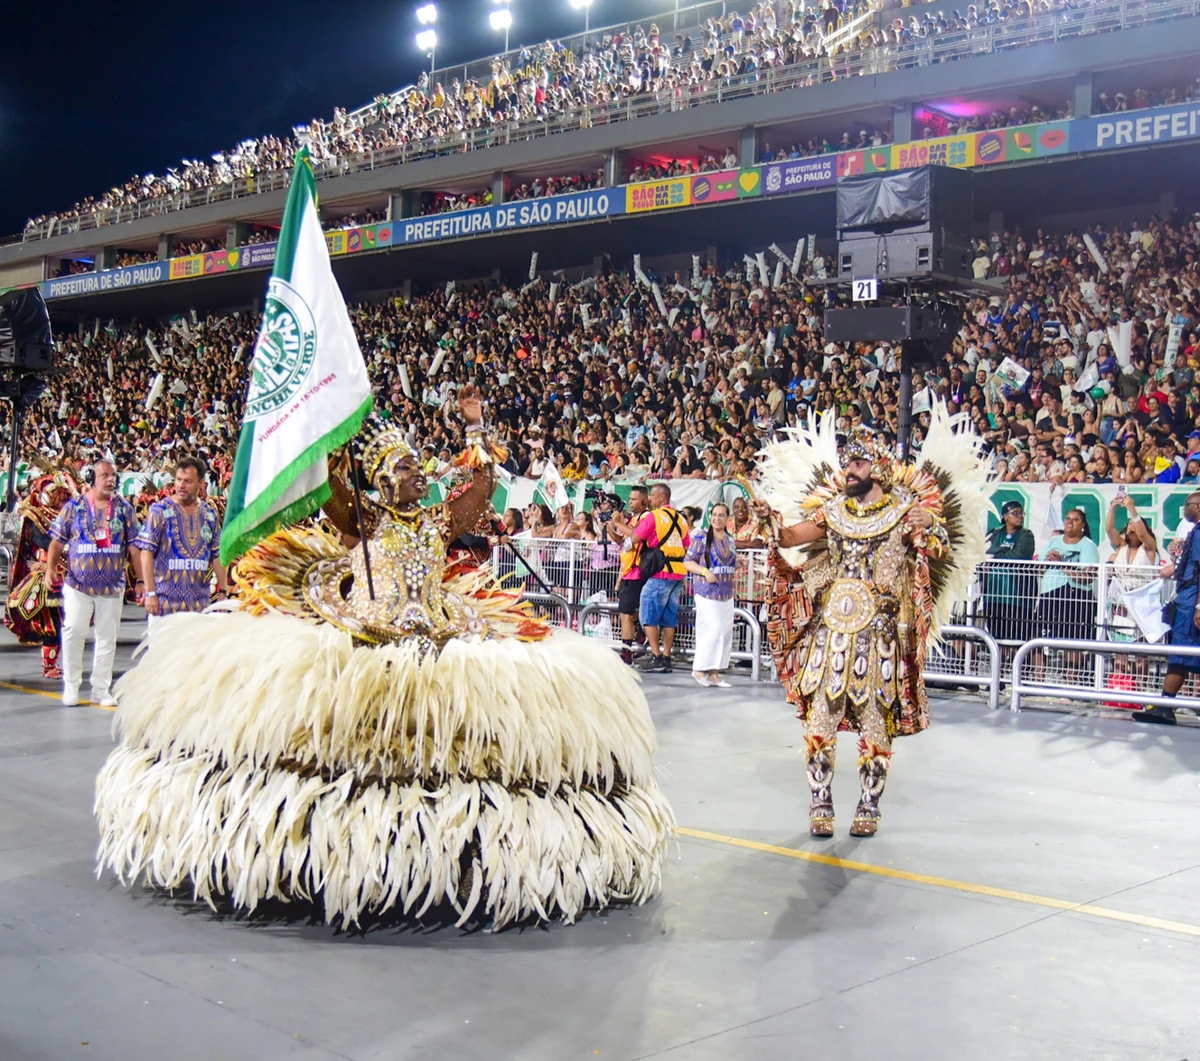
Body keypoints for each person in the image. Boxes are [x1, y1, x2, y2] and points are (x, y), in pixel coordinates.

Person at [95, 387, 673, 928]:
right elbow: (331, 487)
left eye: (417, 465)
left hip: (437, 636)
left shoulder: (435, 521)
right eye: (402, 466)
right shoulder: (366, 520)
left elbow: (480, 491)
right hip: (372, 637)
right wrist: (334, 431)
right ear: (379, 479)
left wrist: (476, 428)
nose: (415, 473)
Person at [752, 409, 989, 838]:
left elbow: (935, 552)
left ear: (878, 467)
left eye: (858, 464)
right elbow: (789, 538)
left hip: (879, 634)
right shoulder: (833, 511)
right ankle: (819, 800)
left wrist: (932, 524)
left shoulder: (904, 511)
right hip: (831, 631)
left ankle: (869, 803)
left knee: (877, 719)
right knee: (820, 715)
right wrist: (770, 517)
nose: (849, 471)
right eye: (847, 464)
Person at [45, 460, 141, 707]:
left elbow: (134, 547)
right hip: (78, 585)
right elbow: (57, 541)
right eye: (104, 475)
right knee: (74, 632)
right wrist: (50, 569)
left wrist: (140, 580)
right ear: (91, 478)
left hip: (112, 586)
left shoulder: (124, 509)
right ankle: (72, 685)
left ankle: (100, 688)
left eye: (113, 475)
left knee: (107, 638)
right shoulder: (74, 507)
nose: (110, 480)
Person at [136, 456, 229, 629]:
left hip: (199, 607)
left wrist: (223, 591)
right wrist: (150, 592)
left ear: (201, 483)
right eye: (178, 480)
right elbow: (146, 552)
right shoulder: (160, 511)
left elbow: (217, 555)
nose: (181, 485)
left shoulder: (209, 514)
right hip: (164, 606)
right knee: (161, 656)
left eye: (187, 481)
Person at [3, 471, 76, 679]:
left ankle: (63, 662)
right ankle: (49, 664)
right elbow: (44, 543)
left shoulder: (71, 514)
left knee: (69, 622)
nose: (62, 496)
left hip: (71, 574)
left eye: (64, 492)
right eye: (57, 492)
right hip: (46, 575)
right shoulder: (36, 516)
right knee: (52, 622)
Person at [1136, 492, 1200, 724]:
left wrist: (1199, 605)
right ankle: (1165, 704)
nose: (1185, 508)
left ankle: (1165, 705)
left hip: (1191, 602)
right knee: (1183, 654)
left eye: (1188, 505)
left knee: (1181, 654)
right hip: (1188, 600)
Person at [628, 483, 691, 673]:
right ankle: (667, 656)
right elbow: (686, 545)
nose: (651, 500)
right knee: (669, 617)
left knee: (648, 614)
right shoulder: (681, 519)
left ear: (661, 498)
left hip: (660, 572)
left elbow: (635, 538)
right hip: (678, 571)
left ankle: (656, 657)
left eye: (653, 496)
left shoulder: (654, 517)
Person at [683, 503, 737, 687]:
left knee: (724, 632)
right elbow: (688, 562)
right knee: (712, 629)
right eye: (714, 514)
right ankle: (699, 669)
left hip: (726, 592)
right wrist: (705, 571)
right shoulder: (701, 537)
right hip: (706, 591)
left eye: (721, 515)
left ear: (728, 518)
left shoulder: (730, 540)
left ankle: (715, 673)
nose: (717, 518)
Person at [982, 500, 1036, 644]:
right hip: (993, 595)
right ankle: (1000, 666)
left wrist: (994, 557)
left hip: (1017, 597)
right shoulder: (994, 534)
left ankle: (1014, 666)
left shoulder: (1026, 535)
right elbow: (983, 552)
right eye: (1015, 513)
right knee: (996, 638)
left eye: (1021, 513)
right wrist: (1003, 552)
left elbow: (1019, 556)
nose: (1020, 516)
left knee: (1016, 639)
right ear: (1005, 516)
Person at [608, 485, 650, 665]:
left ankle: (627, 653)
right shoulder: (632, 518)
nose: (630, 503)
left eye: (634, 499)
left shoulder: (647, 517)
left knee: (625, 613)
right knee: (627, 612)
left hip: (637, 570)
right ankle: (640, 631)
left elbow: (636, 536)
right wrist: (610, 527)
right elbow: (623, 542)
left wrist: (618, 524)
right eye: (630, 499)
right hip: (627, 570)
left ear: (644, 500)